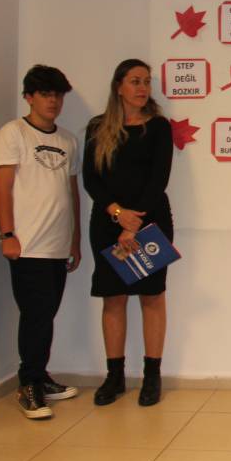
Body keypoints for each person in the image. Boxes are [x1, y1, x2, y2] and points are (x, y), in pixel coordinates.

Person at [0, 65, 82, 420]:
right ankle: (28, 384)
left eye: (57, 95)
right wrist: (7, 234)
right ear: (28, 97)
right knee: (36, 316)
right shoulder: (12, 133)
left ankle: (39, 376)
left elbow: (71, 193)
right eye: (45, 94)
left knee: (46, 315)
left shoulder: (68, 140)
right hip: (27, 245)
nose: (53, 101)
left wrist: (74, 240)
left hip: (58, 245)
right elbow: (2, 187)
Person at [83, 59, 173, 407]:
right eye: (135, 81)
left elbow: (159, 178)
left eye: (146, 82)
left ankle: (151, 376)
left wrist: (133, 223)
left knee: (151, 297)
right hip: (108, 224)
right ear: (118, 86)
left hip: (150, 222)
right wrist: (118, 215)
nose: (143, 88)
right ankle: (115, 376)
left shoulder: (159, 127)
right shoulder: (97, 127)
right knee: (114, 298)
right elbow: (91, 179)